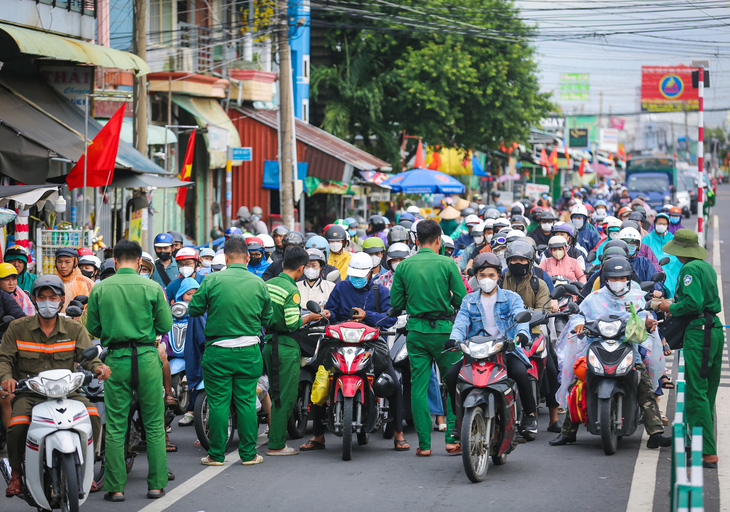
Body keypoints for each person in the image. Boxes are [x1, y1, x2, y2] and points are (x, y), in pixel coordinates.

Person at [0, 275, 109, 497]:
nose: (47, 302)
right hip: (30, 393)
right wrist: (6, 378)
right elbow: (5, 359)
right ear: (34, 300)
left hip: (68, 393)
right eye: (42, 297)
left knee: (93, 415)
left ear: (61, 301)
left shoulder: (73, 328)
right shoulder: (17, 328)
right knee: (17, 425)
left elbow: (88, 356)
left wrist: (98, 368)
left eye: (53, 297)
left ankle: (88, 467)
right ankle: (17, 474)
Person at [551, 257, 671, 449]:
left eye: (622, 278)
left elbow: (645, 315)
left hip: (628, 348)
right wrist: (578, 325)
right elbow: (579, 316)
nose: (618, 282)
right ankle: (568, 432)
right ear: (605, 279)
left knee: (644, 385)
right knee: (578, 384)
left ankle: (655, 433)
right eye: (613, 278)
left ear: (629, 278)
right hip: (596, 348)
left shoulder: (638, 297)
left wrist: (648, 322)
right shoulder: (594, 298)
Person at [85, 240, 173, 501]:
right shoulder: (153, 286)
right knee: (155, 424)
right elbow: (166, 323)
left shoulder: (101, 288)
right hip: (147, 357)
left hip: (116, 360)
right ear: (138, 262)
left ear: (113, 260)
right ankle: (156, 485)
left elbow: (93, 328)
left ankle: (116, 488)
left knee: (115, 426)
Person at [306, 252, 409, 451]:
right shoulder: (341, 287)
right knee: (319, 377)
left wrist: (367, 315)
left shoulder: (382, 292)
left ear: (370, 273)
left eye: (361, 275)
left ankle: (398, 433)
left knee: (393, 382)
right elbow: (333, 310)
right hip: (340, 341)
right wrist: (328, 313)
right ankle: (318, 435)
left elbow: (389, 319)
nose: (357, 279)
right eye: (354, 275)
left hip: (371, 343)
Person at [188, 236, 272, 466]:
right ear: (247, 257)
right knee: (246, 402)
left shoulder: (212, 279)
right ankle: (248, 455)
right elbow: (268, 318)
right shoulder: (258, 283)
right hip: (249, 352)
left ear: (225, 257)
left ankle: (215, 456)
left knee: (218, 404)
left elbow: (194, 309)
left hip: (218, 352)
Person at [390, 220, 467, 456]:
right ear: (438, 239)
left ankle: (424, 446)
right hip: (444, 331)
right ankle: (452, 440)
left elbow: (396, 304)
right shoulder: (447, 263)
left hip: (416, 332)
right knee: (453, 385)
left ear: (415, 240)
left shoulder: (404, 266)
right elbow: (462, 299)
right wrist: (447, 301)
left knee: (419, 388)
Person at [445, 252, 533, 436]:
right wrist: (454, 339)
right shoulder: (468, 300)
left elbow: (521, 318)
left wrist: (523, 335)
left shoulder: (512, 298)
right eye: (482, 275)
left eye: (491, 275)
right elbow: (461, 323)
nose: (487, 279)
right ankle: (459, 421)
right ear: (476, 277)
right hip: (477, 352)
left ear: (498, 276)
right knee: (452, 376)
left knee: (521, 374)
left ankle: (530, 415)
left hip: (505, 350)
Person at [658, 229, 724, 467]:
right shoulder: (706, 267)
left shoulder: (689, 269)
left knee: (696, 392)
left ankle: (707, 451)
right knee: (707, 392)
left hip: (699, 331)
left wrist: (669, 307)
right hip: (714, 329)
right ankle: (693, 440)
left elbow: (693, 304)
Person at [263, 246, 320, 456]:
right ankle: (276, 444)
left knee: (275, 392)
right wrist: (309, 317)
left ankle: (274, 439)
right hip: (285, 346)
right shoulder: (291, 290)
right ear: (302, 268)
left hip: (268, 343)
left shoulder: (268, 284)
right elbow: (291, 323)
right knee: (284, 396)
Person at [499, 240, 553, 434]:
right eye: (514, 259)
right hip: (502, 334)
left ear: (530, 262)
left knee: (552, 369)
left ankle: (554, 416)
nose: (518, 263)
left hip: (533, 331)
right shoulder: (499, 280)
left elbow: (543, 310)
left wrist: (525, 314)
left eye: (522, 260)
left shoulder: (539, 283)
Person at [174, 278, 204, 427]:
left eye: (195, 293)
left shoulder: (202, 311)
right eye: (188, 294)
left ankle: (193, 410)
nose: (192, 297)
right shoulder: (176, 313)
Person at [642, 213, 682, 297]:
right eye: (659, 223)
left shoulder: (672, 239)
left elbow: (676, 257)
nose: (661, 226)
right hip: (651, 269)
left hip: (669, 269)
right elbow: (642, 255)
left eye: (664, 224)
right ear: (655, 224)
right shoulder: (647, 238)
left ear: (668, 225)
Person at [55, 247, 94, 312]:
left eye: (67, 262)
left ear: (75, 263)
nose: (63, 266)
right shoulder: (52, 282)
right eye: (59, 262)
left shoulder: (87, 283)